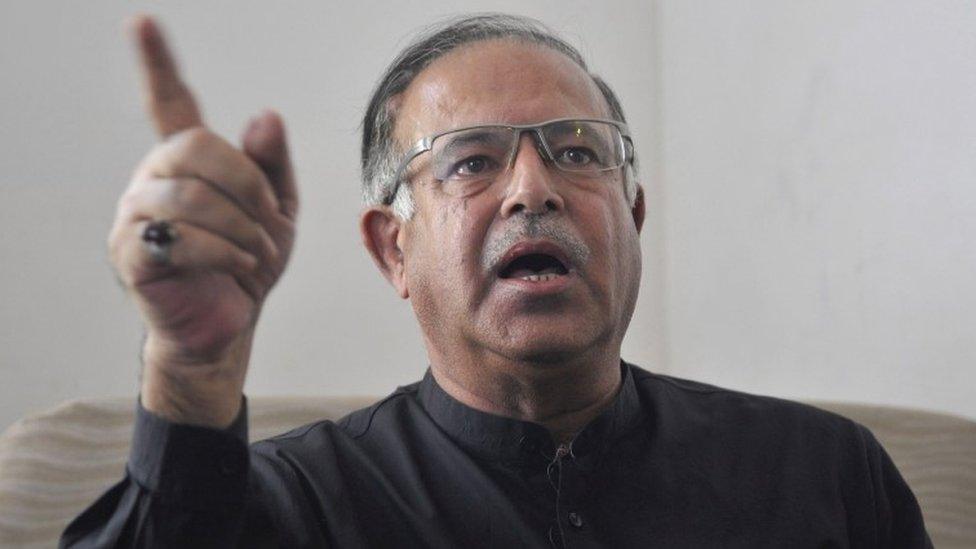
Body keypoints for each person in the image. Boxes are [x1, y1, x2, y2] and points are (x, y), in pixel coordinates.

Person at [62, 13, 931, 548]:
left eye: (577, 151)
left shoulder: (825, 473)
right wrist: (190, 369)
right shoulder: (295, 505)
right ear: (392, 251)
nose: (533, 188)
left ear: (632, 217)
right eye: (470, 160)